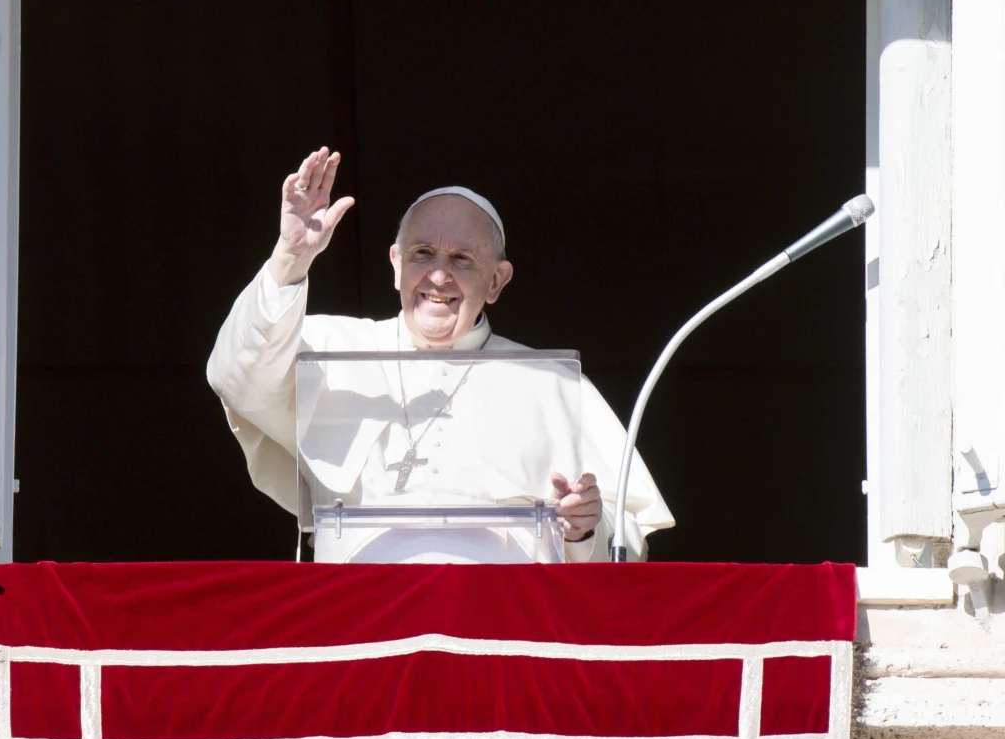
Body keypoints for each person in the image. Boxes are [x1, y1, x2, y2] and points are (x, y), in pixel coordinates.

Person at [207, 147, 674, 563]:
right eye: (423, 253)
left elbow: (629, 543)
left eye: (461, 260)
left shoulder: (552, 381)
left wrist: (585, 529)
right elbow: (235, 377)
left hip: (503, 626)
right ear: (396, 265)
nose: (437, 276)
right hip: (365, 621)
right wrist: (290, 257)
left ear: (497, 281)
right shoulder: (327, 349)